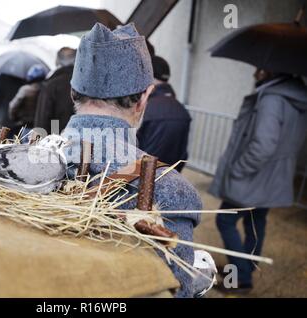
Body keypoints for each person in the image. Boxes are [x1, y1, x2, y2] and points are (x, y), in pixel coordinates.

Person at [61, 23, 202, 298]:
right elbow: (177, 291)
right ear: (144, 99)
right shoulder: (170, 191)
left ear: (72, 93)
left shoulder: (30, 155)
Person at [209, 69, 307, 295]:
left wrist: (238, 169)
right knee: (256, 222)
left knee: (225, 221)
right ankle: (245, 268)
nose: (256, 72)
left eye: (262, 68)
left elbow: (263, 145)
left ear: (274, 70)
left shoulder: (272, 98)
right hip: (273, 177)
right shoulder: (296, 97)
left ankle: (241, 277)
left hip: (254, 177)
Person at [137, 56, 191, 172]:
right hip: (171, 178)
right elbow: (182, 155)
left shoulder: (144, 107)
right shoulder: (181, 110)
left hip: (144, 180)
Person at [34, 47, 77, 134]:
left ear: (58, 61)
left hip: (56, 136)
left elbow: (42, 118)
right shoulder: (85, 82)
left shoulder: (51, 84)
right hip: (83, 136)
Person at [9, 64, 48, 136]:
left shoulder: (25, 90)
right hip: (44, 127)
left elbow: (13, 106)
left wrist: (14, 118)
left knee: (26, 146)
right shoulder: (48, 89)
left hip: (27, 126)